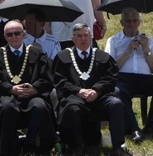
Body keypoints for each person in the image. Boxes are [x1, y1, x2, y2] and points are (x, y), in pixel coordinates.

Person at [53, 23, 131, 156]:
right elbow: (59, 81)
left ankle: (118, 147)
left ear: (90, 37)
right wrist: (78, 91)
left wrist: (96, 90)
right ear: (73, 38)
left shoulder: (102, 56)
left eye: (85, 35)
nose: (83, 39)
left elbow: (111, 78)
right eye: (79, 36)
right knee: (72, 109)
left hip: (99, 97)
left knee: (116, 104)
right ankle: (77, 147)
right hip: (75, 97)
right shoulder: (63, 57)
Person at [0, 20, 55, 155]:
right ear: (5, 37)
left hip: (33, 96)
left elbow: (47, 78)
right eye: (9, 34)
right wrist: (10, 88)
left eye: (17, 33)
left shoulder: (37, 53)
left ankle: (31, 144)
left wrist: (35, 88)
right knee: (7, 107)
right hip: (7, 95)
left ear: (23, 34)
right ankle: (10, 148)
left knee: (39, 106)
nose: (14, 37)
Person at [106, 8, 153, 142]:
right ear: (122, 23)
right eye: (128, 21)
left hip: (144, 78)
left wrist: (146, 50)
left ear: (139, 23)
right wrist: (128, 50)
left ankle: (150, 126)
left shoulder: (148, 41)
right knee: (117, 92)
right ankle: (134, 129)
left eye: (135, 21)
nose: (132, 24)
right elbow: (111, 68)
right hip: (123, 78)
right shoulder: (114, 40)